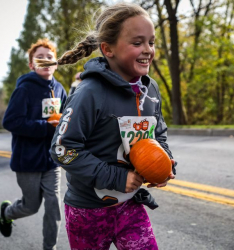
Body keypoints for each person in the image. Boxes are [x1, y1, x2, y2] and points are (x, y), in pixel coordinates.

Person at [35, 3, 177, 249]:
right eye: (137, 43)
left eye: (151, 42)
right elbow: (62, 149)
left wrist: (165, 161)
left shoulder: (150, 89)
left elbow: (158, 132)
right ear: (107, 49)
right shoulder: (89, 93)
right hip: (87, 211)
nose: (148, 50)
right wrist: (116, 177)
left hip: (130, 206)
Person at [0, 38, 67, 250]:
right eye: (40, 58)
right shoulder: (25, 89)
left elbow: (67, 118)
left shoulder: (60, 89)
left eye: (49, 57)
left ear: (56, 63)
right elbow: (10, 121)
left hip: (51, 160)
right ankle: (8, 212)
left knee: (54, 205)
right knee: (31, 206)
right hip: (27, 160)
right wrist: (45, 127)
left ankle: (50, 247)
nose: (45, 60)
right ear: (32, 65)